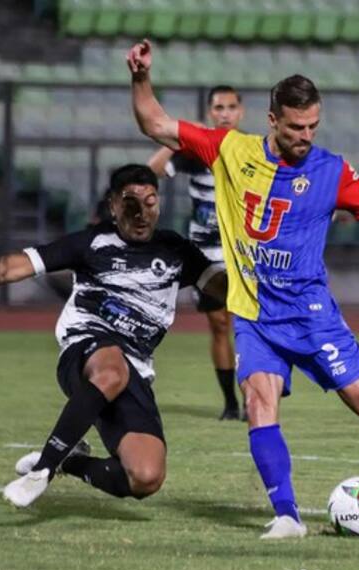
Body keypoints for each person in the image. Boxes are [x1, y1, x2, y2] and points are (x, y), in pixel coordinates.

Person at [128, 39, 359, 538]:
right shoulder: (229, 149)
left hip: (311, 317)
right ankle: (287, 515)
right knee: (258, 403)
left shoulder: (331, 171)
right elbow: (154, 122)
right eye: (295, 127)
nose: (305, 136)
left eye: (313, 126)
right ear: (272, 120)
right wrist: (141, 77)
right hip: (254, 314)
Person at [0, 164, 226, 508]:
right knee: (112, 370)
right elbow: (20, 264)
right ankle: (42, 471)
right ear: (113, 206)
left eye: (150, 202)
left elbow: (223, 289)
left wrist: (258, 278)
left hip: (135, 368)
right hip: (86, 347)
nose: (141, 213)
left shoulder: (176, 251)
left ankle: (70, 461)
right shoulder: (93, 242)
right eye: (130, 203)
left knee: (145, 477)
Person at [147, 85, 244, 421]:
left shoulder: (251, 150)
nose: (225, 114)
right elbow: (152, 170)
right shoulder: (197, 151)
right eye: (219, 107)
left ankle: (256, 398)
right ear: (209, 112)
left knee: (249, 327)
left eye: (231, 107)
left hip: (242, 253)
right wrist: (178, 138)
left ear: (241, 112)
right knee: (219, 324)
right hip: (205, 255)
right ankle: (231, 403)